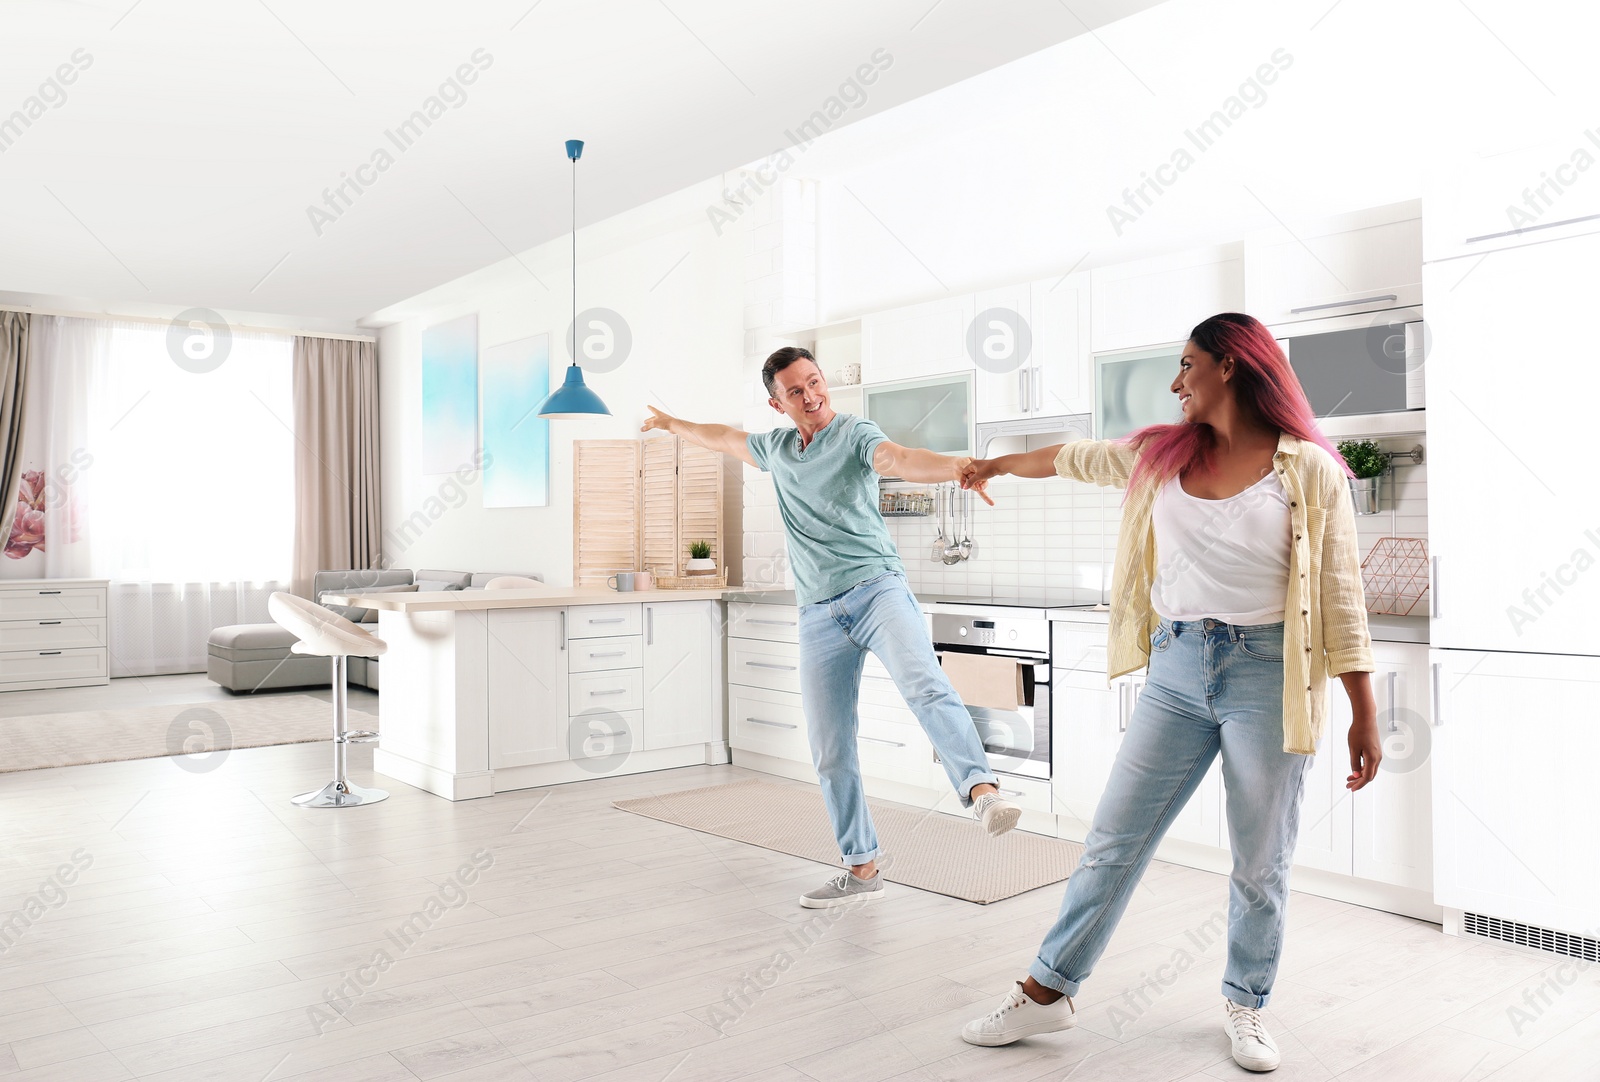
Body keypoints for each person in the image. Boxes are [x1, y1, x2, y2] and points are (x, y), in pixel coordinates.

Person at [953, 313, 1380, 1073]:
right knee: (1113, 841)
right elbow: (1073, 458)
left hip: (1268, 676)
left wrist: (1364, 713)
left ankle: (1246, 1005)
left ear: (1232, 366)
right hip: (1177, 669)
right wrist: (995, 466)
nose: (1177, 381)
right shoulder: (1161, 454)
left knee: (1260, 862)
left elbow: (1341, 595)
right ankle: (1047, 992)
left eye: (1187, 365)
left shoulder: (1306, 469)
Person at [641, 346, 1023, 909]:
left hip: (877, 589)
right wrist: (671, 423)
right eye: (796, 391)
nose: (811, 395)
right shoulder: (776, 450)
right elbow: (722, 437)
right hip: (818, 612)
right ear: (778, 403)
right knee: (829, 745)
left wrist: (956, 468)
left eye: (815, 382)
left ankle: (982, 791)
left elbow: (897, 458)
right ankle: (862, 867)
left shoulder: (854, 434)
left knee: (924, 683)